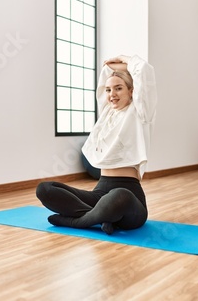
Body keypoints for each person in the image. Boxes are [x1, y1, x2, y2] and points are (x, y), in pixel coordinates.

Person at [36, 55, 157, 235]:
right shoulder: (106, 114)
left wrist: (123, 59)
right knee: (45, 189)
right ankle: (99, 218)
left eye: (118, 88)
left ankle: (79, 221)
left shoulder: (139, 113)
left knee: (118, 196)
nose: (112, 95)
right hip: (99, 192)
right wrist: (112, 68)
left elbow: (144, 70)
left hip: (128, 198)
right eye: (108, 90)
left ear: (132, 91)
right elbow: (106, 71)